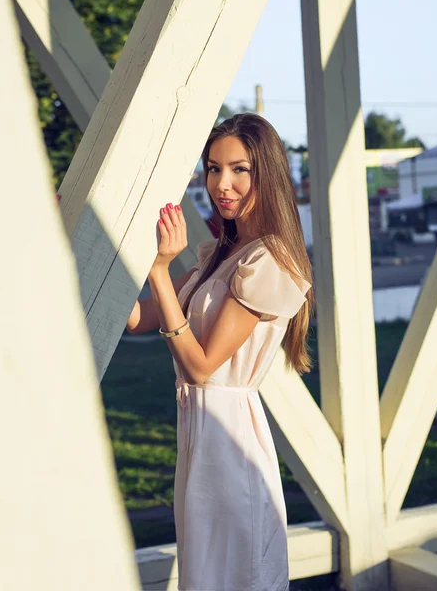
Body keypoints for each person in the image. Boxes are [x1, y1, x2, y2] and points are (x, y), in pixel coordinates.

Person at [127, 113, 313, 591]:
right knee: (205, 573)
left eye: (239, 169)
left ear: (266, 173)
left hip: (231, 437)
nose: (221, 184)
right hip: (199, 433)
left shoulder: (270, 261)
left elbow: (202, 365)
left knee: (234, 574)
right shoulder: (219, 254)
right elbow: (137, 319)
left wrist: (162, 273)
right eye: (212, 168)